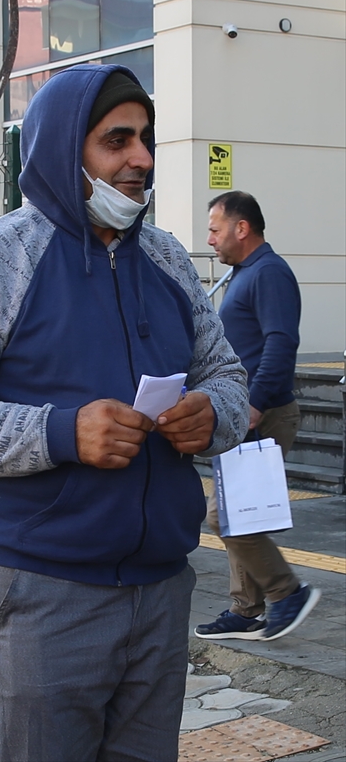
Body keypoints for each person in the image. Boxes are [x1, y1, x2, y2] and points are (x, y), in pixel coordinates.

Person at [0, 65, 249, 762]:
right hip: (42, 599)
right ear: (67, 150)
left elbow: (229, 377)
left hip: (161, 592)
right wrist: (62, 432)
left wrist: (212, 413)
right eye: (116, 140)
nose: (142, 159)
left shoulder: (168, 259)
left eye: (146, 139)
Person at [195, 191, 321, 642]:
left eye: (214, 228)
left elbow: (281, 343)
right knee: (241, 514)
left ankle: (288, 593)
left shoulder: (269, 273)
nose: (209, 238)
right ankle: (246, 610)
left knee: (225, 516)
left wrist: (254, 405)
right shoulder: (246, 273)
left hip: (261, 414)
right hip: (248, 411)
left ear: (241, 228)